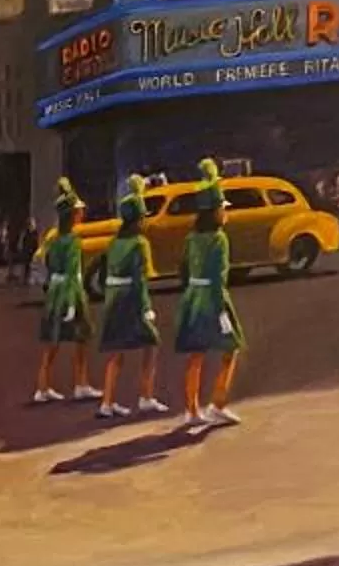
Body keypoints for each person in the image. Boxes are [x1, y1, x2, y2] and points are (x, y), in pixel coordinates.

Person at [172, 158, 246, 430]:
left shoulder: (192, 238)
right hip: (213, 299)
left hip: (193, 297)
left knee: (196, 354)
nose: (226, 214)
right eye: (222, 209)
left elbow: (183, 269)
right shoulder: (219, 239)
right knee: (231, 348)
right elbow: (219, 278)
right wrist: (222, 311)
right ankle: (218, 404)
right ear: (215, 212)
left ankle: (191, 409)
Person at [93, 178, 168, 419]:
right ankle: (145, 397)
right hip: (131, 300)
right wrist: (146, 307)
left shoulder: (114, 242)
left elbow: (105, 274)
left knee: (117, 351)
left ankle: (107, 402)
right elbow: (140, 279)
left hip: (113, 299)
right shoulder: (139, 243)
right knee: (151, 345)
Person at [31, 180, 100, 404]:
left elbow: (51, 267)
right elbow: (72, 273)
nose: (82, 213)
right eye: (79, 211)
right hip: (71, 291)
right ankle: (81, 383)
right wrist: (72, 302)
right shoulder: (73, 242)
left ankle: (43, 386)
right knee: (81, 337)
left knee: (53, 341)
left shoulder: (54, 241)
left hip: (55, 291)